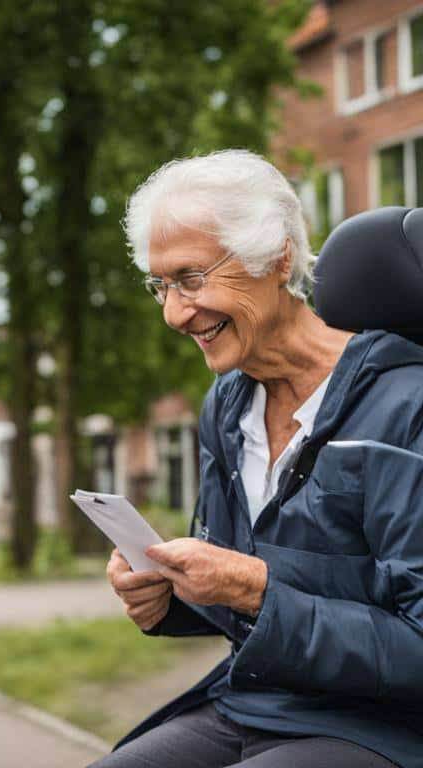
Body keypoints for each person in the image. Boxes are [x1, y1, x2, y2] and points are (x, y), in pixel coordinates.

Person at [94, 149, 423, 768]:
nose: (173, 313)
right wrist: (168, 597)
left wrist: (256, 590)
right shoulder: (227, 404)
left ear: (277, 257)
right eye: (160, 286)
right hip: (252, 705)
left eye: (191, 279)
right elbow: (241, 590)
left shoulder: (408, 408)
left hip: (381, 728)